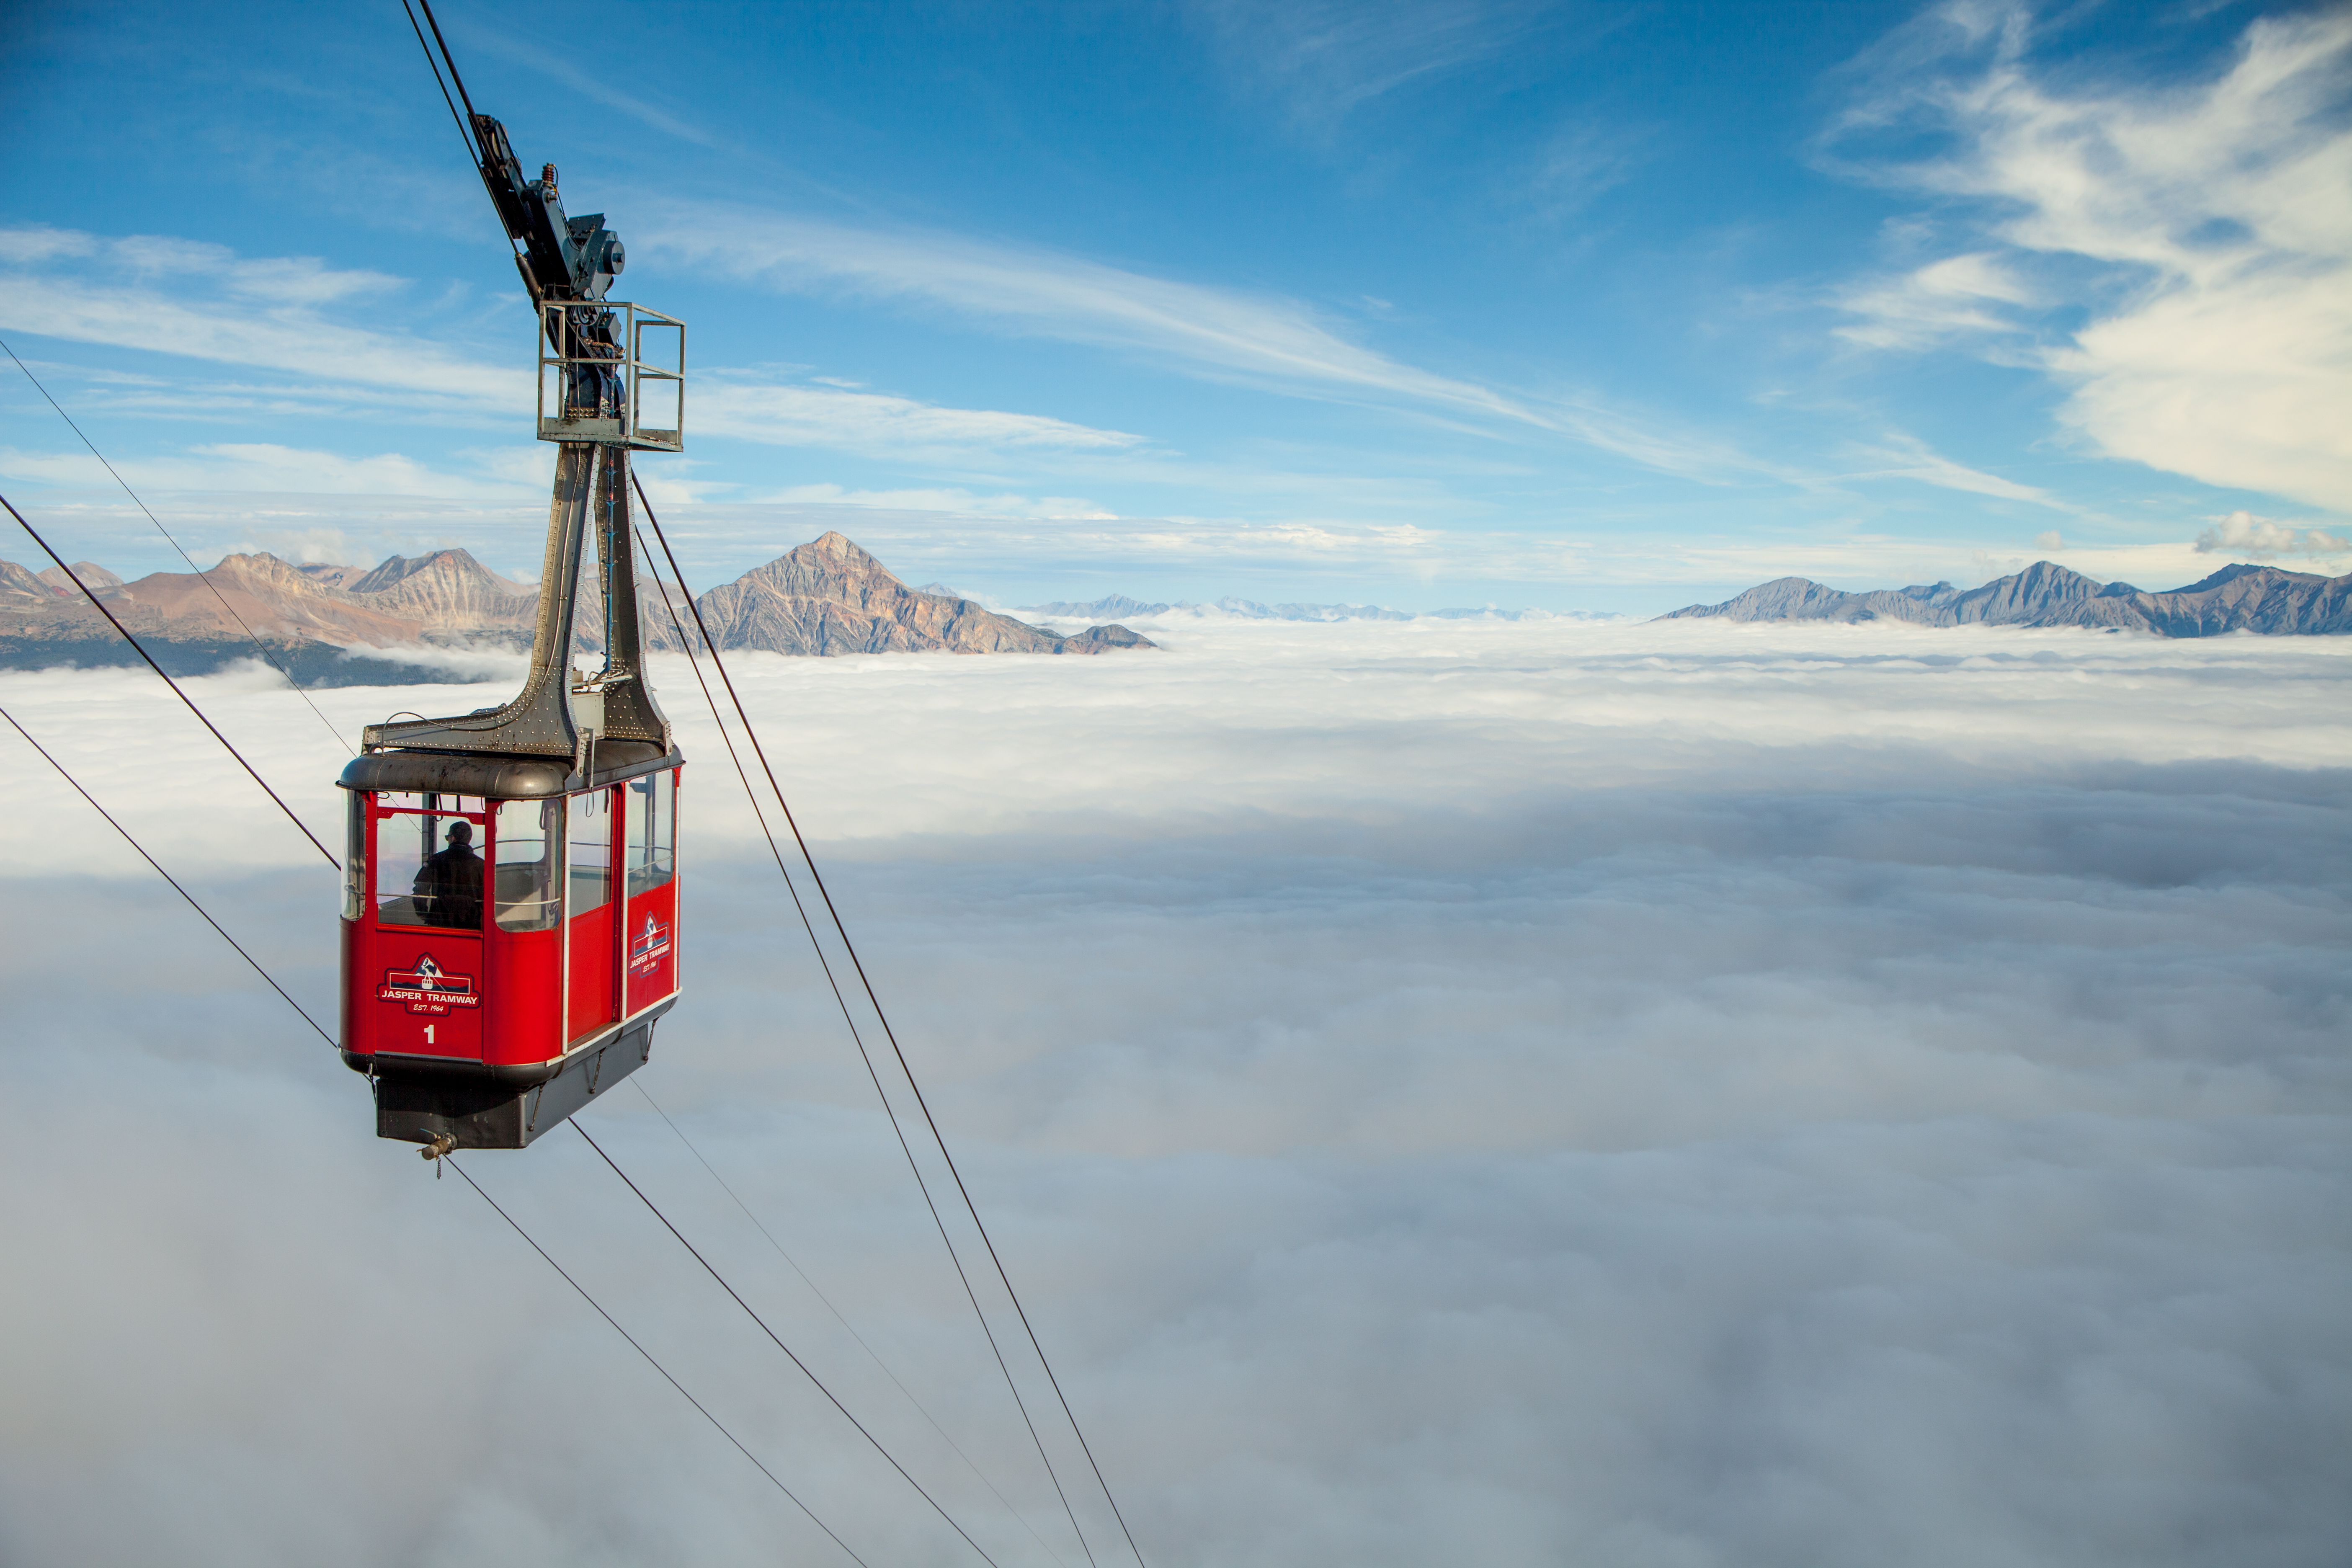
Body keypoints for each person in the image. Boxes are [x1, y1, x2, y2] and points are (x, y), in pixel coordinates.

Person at [413, 820, 485, 931]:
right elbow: (488, 895)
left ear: (453, 838)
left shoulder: (436, 860)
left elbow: (421, 887)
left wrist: (423, 913)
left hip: (441, 922)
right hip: (472, 924)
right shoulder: (481, 865)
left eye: (448, 838)